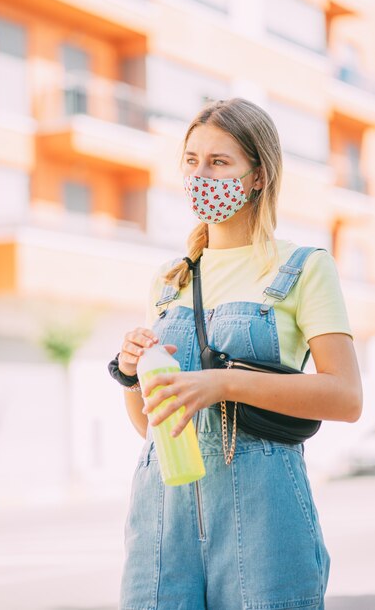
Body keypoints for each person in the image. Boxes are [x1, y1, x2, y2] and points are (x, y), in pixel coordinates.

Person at [108, 98, 363, 610]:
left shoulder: (303, 267)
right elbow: (149, 426)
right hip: (164, 513)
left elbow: (346, 397)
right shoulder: (170, 278)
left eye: (219, 162)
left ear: (258, 176)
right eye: (191, 160)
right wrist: (134, 374)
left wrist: (223, 383)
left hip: (264, 513)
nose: (200, 175)